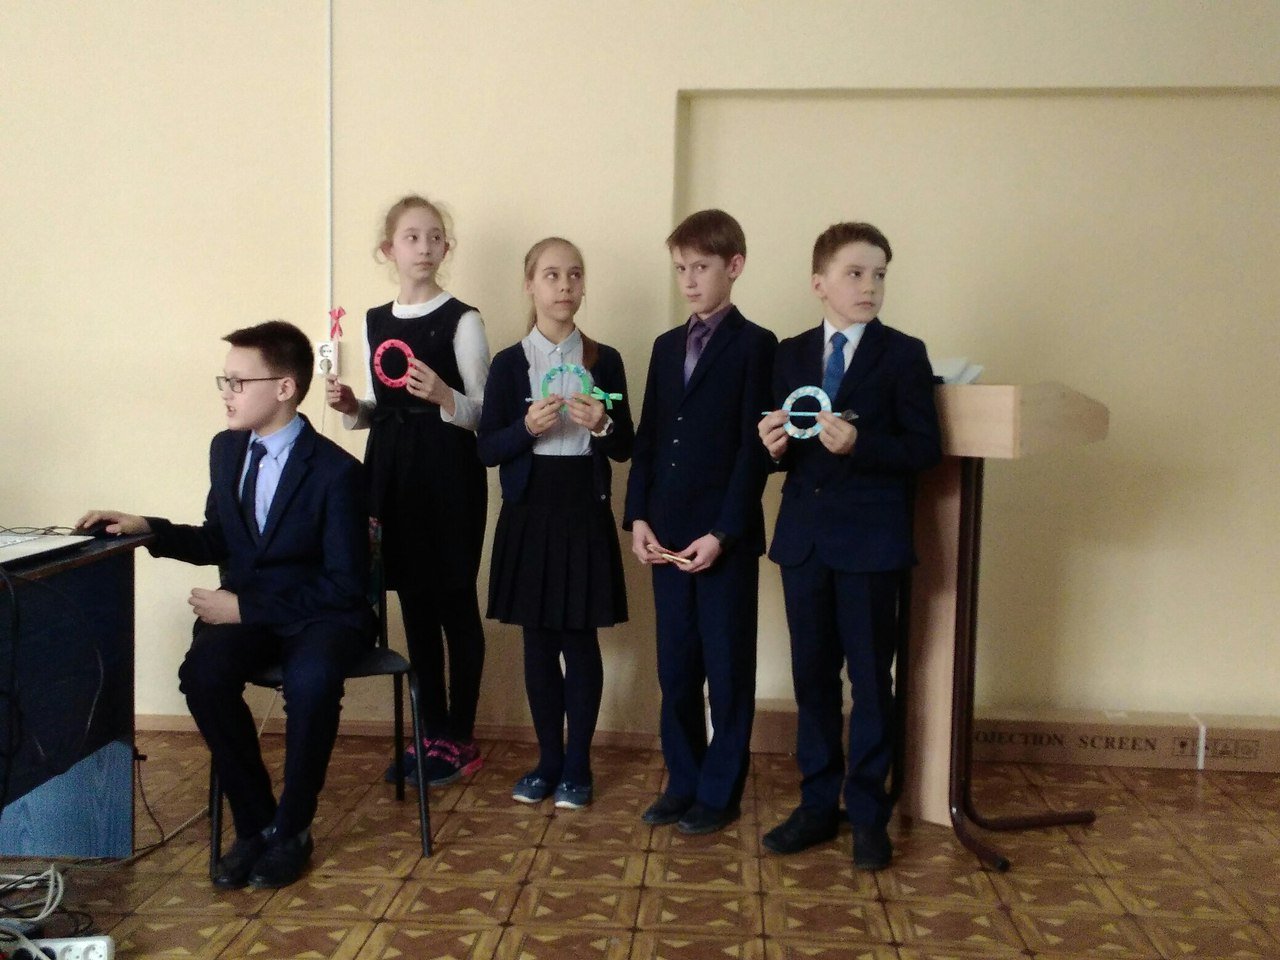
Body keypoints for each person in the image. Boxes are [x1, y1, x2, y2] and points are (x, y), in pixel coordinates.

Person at [78, 320, 373, 890]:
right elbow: (220, 538)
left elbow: (345, 586)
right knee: (203, 675)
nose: (226, 393)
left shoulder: (337, 472)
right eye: (225, 380)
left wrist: (245, 611)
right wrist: (149, 528)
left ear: (284, 388)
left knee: (312, 682)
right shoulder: (227, 449)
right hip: (250, 609)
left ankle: (293, 829)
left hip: (321, 615)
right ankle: (256, 821)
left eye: (238, 382)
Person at [757, 222, 941, 870]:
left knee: (869, 682)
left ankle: (867, 814)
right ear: (820, 283)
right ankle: (816, 806)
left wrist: (862, 444)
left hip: (870, 544)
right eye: (856, 273)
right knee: (812, 682)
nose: (871, 286)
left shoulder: (904, 354)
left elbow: (924, 449)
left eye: (880, 274)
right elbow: (783, 448)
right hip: (805, 543)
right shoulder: (790, 354)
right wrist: (772, 448)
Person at [326, 195, 490, 788]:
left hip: (449, 475)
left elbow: (486, 413)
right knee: (413, 607)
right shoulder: (375, 320)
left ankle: (460, 736)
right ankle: (431, 732)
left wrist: (445, 395)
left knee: (454, 603)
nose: (424, 247)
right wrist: (353, 406)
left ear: (446, 247)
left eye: (435, 236)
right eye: (412, 237)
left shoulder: (464, 320)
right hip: (392, 473)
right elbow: (380, 407)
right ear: (388, 249)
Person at [623, 209, 777, 834]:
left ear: (734, 267)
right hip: (665, 535)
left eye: (702, 267)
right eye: (681, 268)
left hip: (722, 540)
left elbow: (753, 452)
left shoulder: (757, 345)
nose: (689, 280)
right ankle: (682, 781)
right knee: (676, 668)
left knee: (727, 669)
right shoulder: (665, 347)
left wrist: (723, 533)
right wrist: (637, 516)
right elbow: (650, 439)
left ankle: (719, 791)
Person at [478, 237, 634, 810]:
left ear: (583, 285)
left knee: (579, 638)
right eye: (550, 275)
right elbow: (487, 449)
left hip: (582, 506)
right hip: (529, 509)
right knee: (538, 642)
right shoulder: (508, 363)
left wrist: (602, 425)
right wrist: (525, 429)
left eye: (573, 274)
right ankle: (547, 760)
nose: (564, 285)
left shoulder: (604, 359)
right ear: (530, 285)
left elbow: (626, 445)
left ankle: (577, 765)